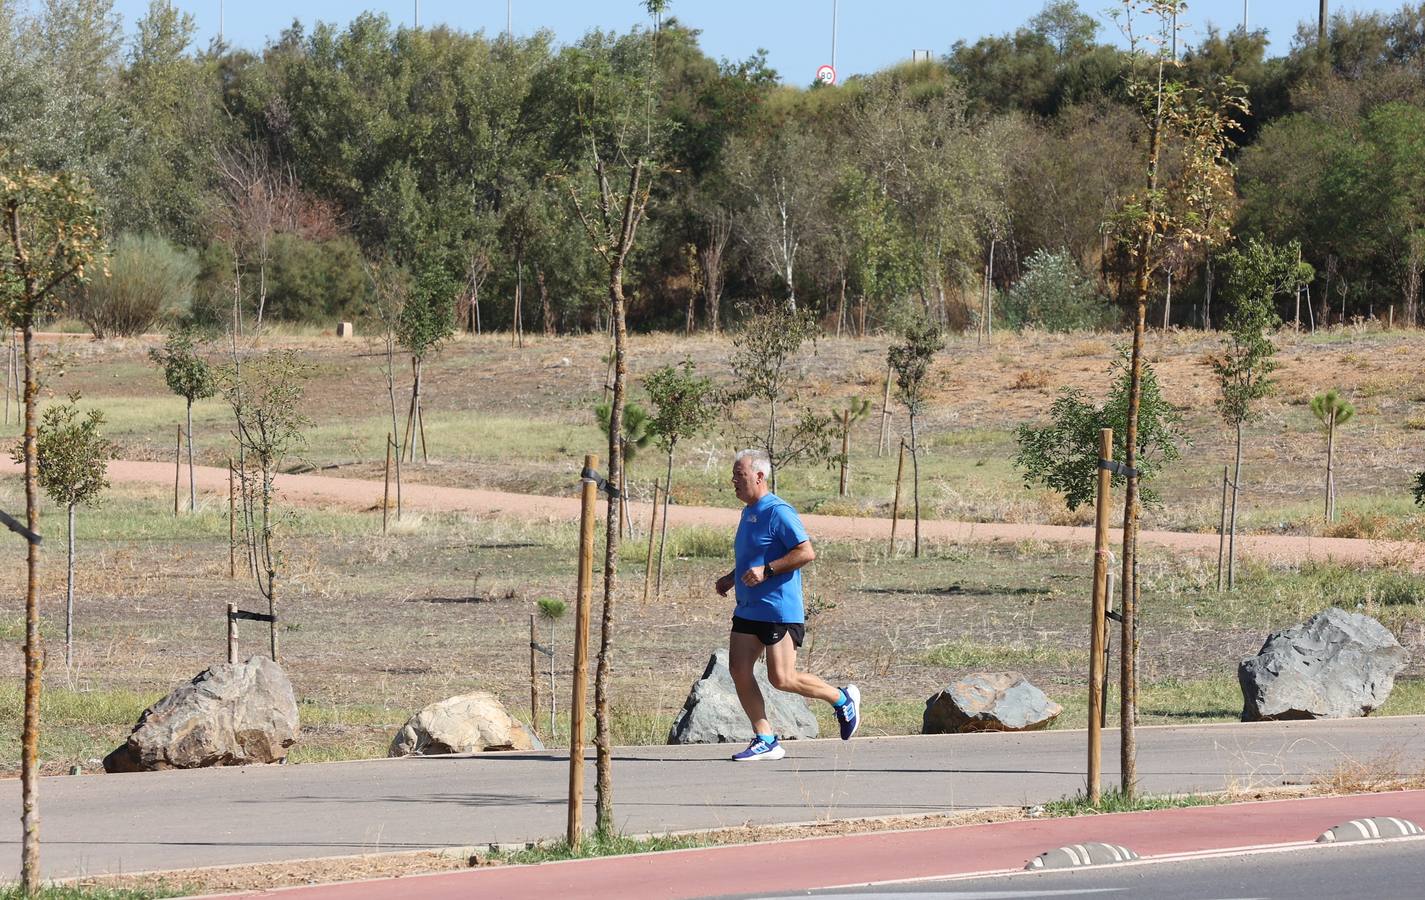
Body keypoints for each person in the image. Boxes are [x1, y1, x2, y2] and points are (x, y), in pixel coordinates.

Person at [715, 448, 859, 761]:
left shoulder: (778, 511)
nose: (733, 481)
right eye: (733, 475)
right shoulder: (748, 512)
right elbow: (755, 555)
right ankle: (765, 738)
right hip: (749, 607)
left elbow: (806, 552)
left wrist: (767, 571)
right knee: (738, 669)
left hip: (778, 610)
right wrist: (731, 577)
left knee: (782, 679)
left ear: (759, 476)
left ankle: (841, 698)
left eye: (739, 475)